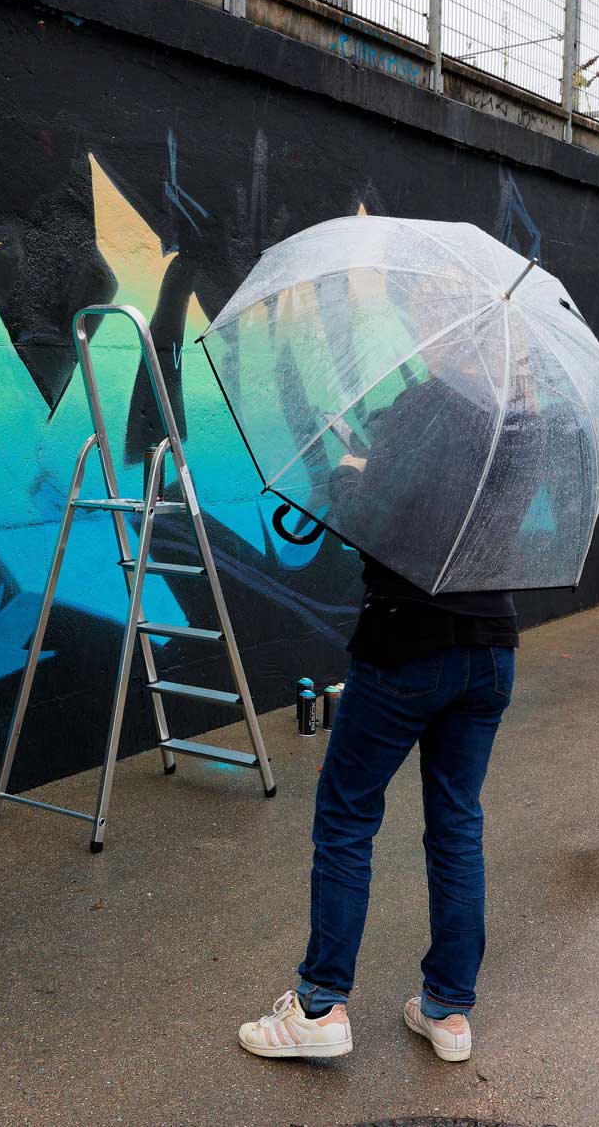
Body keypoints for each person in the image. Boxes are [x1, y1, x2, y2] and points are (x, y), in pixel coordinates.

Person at [237, 346, 516, 1066]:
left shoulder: (425, 408)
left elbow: (375, 521)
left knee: (346, 814)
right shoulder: (516, 421)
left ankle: (319, 1007)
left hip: (406, 642)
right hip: (490, 646)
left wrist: (348, 473)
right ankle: (449, 1012)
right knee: (456, 823)